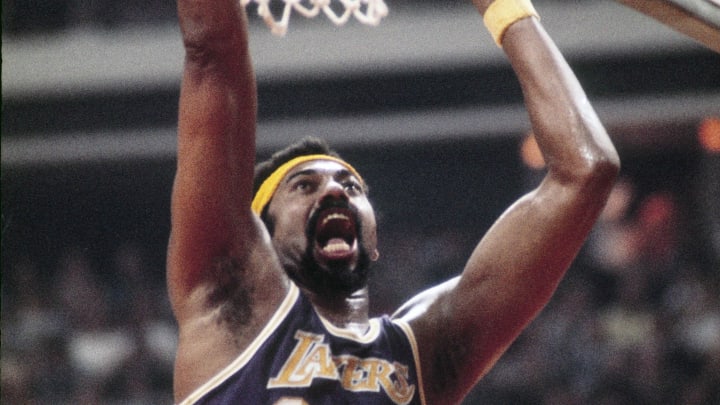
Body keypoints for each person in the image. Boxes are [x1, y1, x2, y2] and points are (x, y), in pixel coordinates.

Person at [167, 0, 620, 403]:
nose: (334, 190)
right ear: (259, 235)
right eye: (304, 186)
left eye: (352, 186)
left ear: (375, 238)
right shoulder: (226, 298)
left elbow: (586, 172)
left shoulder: (424, 351)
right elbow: (212, 51)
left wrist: (503, 7)